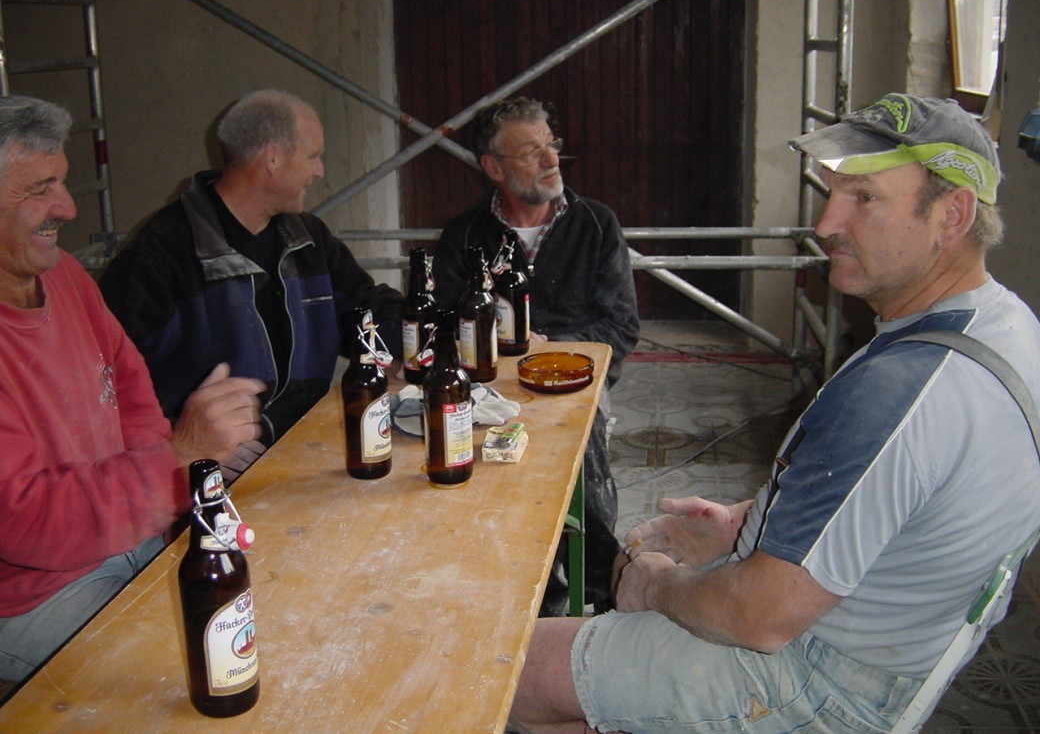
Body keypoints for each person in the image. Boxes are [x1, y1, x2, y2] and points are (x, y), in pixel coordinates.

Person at [508, 93, 1040, 733]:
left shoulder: (899, 389)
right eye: (833, 193)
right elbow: (898, 495)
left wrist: (656, 586)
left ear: (952, 215)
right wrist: (748, 524)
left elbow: (760, 618)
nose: (827, 222)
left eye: (864, 198)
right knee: (606, 620)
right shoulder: (1006, 326)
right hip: (896, 643)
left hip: (816, 679)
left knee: (508, 669)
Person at [0, 95, 265, 692]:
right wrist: (177, 455)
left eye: (62, 182)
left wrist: (165, 493)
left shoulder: (64, 276)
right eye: (40, 190)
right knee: (192, 673)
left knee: (253, 615)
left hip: (127, 538)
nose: (67, 207)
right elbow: (25, 522)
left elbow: (130, 389)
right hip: (31, 594)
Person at [100, 89, 403, 477]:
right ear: (273, 159)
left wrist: (420, 341)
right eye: (313, 156)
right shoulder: (159, 256)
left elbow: (364, 311)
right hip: (212, 477)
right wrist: (184, 444)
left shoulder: (307, 237)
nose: (320, 171)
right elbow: (106, 387)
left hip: (306, 448)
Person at [433, 97, 640, 615]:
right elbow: (444, 327)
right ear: (493, 168)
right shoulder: (464, 236)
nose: (552, 161)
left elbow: (621, 326)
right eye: (532, 152)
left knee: (580, 453)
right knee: (469, 459)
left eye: (552, 146)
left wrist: (554, 353)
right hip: (489, 386)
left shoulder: (596, 224)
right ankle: (531, 589)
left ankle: (602, 585)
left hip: (575, 382)